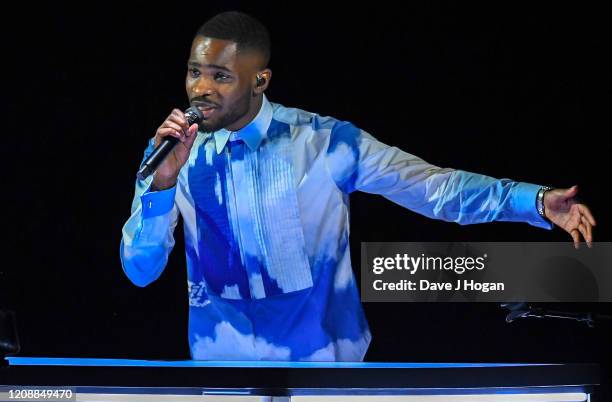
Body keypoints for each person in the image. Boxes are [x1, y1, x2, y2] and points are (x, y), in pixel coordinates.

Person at [120, 11, 596, 361]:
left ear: (260, 80)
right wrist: (161, 185)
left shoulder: (324, 142)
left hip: (324, 378)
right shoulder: (172, 154)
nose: (200, 89)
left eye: (220, 76)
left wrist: (530, 201)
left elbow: (432, 187)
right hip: (222, 381)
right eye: (194, 71)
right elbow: (140, 270)